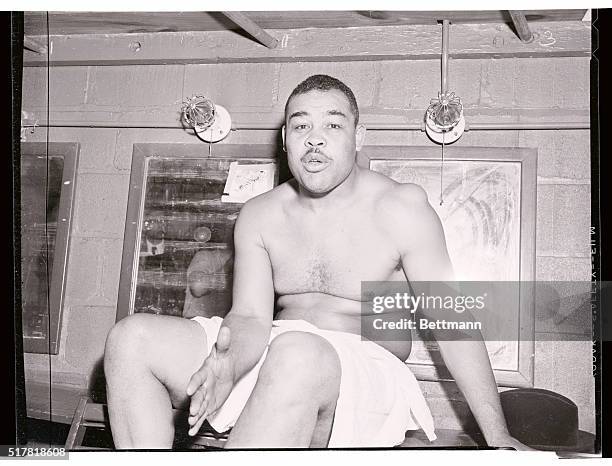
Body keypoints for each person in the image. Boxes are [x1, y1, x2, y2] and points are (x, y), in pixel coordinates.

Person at [104, 74, 528, 449]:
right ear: (286, 138)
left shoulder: (401, 206)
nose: (315, 137)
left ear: (358, 136)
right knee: (131, 338)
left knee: (297, 352)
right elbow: (250, 317)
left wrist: (498, 436)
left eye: (333, 124)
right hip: (274, 347)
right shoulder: (260, 213)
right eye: (301, 124)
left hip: (364, 372)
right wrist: (229, 366)